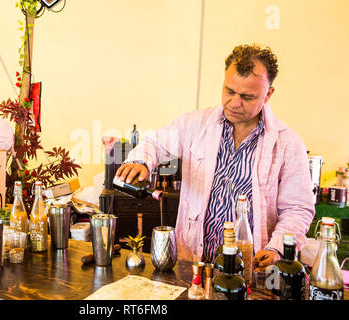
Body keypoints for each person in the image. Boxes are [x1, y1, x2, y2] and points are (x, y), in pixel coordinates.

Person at [115, 44, 315, 270]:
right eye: (229, 91)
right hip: (194, 264)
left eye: (247, 96)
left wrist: (276, 248)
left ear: (268, 94)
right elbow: (155, 142)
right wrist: (140, 160)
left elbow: (297, 209)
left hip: (252, 268)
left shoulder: (288, 143)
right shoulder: (195, 124)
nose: (234, 103)